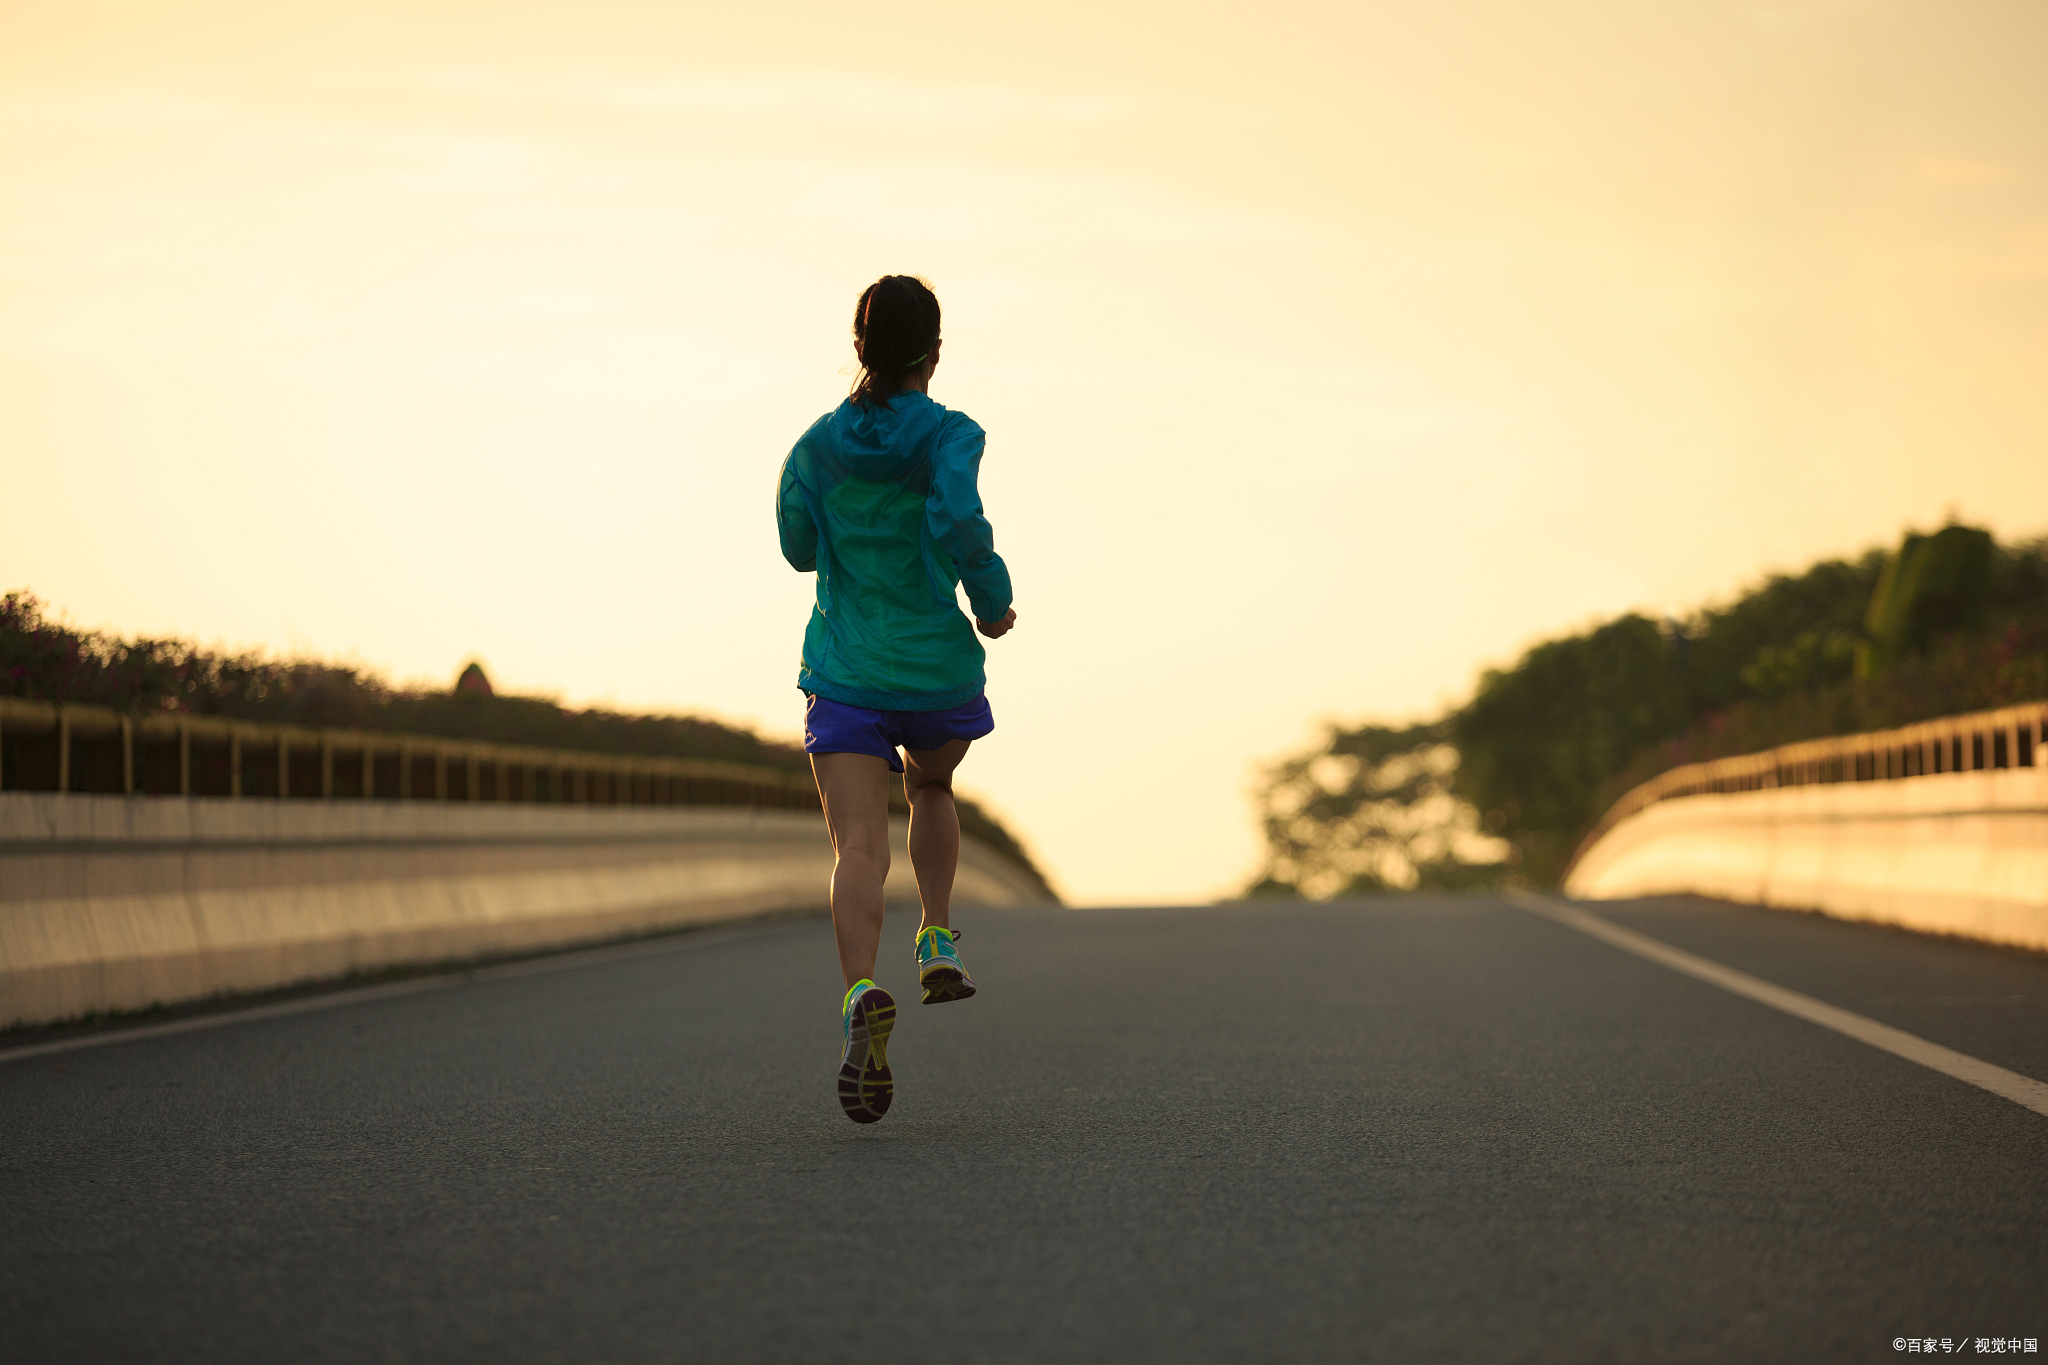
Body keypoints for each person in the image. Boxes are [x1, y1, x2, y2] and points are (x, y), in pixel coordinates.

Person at [776, 274, 1017, 1125]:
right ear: (936, 353)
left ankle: (858, 996)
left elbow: (798, 547)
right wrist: (991, 601)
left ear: (858, 349)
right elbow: (960, 516)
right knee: (931, 787)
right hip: (932, 670)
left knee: (859, 848)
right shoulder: (951, 433)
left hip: (845, 669)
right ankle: (938, 936)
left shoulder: (813, 446)